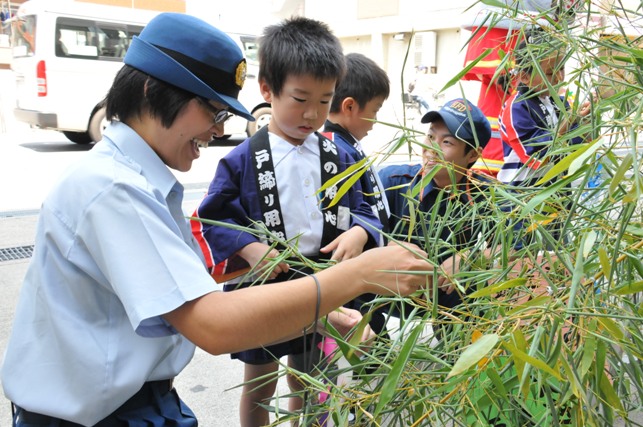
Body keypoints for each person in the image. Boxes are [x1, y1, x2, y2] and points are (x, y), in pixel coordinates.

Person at [1, 13, 431, 427]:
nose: (216, 132)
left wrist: (324, 313)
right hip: (98, 415)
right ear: (153, 91)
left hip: (131, 403)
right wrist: (358, 276)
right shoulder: (114, 190)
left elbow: (187, 293)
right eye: (213, 112)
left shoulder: (137, 181)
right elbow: (213, 322)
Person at [190, 17, 383, 427]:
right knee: (260, 381)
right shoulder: (242, 158)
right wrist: (249, 247)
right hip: (263, 286)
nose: (312, 114)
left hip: (321, 281)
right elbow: (212, 215)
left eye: (325, 100)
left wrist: (359, 231)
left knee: (311, 375)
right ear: (267, 90)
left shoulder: (342, 157)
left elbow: (370, 208)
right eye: (299, 99)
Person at [379, 98, 492, 336]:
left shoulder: (486, 193)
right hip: (389, 291)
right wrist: (386, 249)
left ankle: (457, 355)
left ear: (472, 155)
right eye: (431, 136)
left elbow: (522, 242)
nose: (431, 148)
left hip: (448, 295)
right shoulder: (392, 181)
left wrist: (472, 258)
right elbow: (358, 228)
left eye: (446, 142)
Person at [322, 52, 391, 334]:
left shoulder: (346, 143)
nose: (375, 122)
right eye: (374, 111)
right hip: (352, 271)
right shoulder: (333, 149)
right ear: (350, 106)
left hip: (365, 264)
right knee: (369, 343)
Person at [498, 29, 592, 188]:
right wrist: (569, 119)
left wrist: (586, 118)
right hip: (522, 197)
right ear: (525, 77)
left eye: (561, 68)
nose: (560, 77)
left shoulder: (560, 103)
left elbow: (578, 146)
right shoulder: (516, 108)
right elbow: (537, 156)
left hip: (558, 193)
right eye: (550, 72)